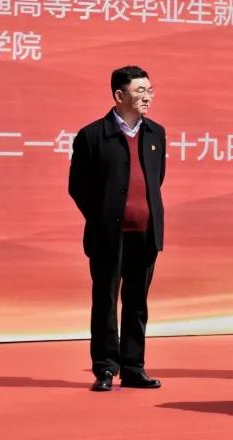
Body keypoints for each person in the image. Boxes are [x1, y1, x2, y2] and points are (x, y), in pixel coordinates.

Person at [68, 65, 166, 391]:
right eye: (140, 91)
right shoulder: (92, 136)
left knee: (137, 303)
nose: (148, 97)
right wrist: (103, 217)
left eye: (150, 90)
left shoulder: (156, 134)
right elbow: (78, 187)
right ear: (119, 95)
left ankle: (134, 367)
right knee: (106, 301)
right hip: (108, 236)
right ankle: (106, 368)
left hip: (146, 232)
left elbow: (156, 180)